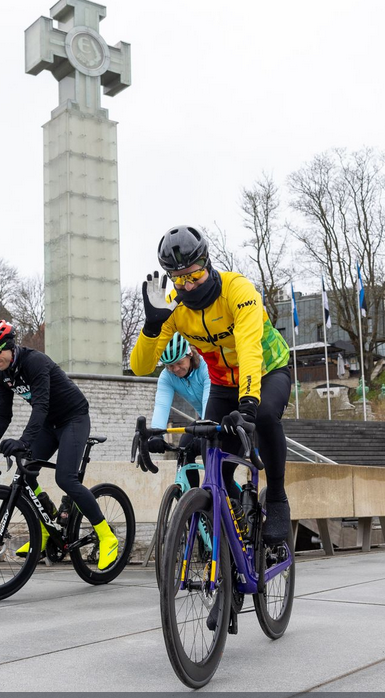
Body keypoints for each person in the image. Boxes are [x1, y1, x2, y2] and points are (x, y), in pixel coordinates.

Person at [130, 225, 293, 544]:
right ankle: (237, 529)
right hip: (222, 385)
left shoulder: (237, 289)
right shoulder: (175, 309)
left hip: (266, 370)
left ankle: (276, 496)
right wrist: (152, 328)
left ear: (207, 262)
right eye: (179, 278)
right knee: (214, 467)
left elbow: (248, 346)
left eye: (194, 275)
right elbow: (142, 367)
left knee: (263, 417)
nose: (187, 285)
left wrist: (248, 403)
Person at [0, 320, 119, 570]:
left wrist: (24, 441)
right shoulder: (2, 375)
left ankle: (106, 536)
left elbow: (41, 406)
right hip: (49, 424)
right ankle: (46, 530)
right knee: (25, 475)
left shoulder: (34, 362)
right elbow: (3, 414)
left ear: (8, 346)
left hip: (73, 418)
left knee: (66, 479)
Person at [146, 332, 211, 487]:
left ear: (189, 353)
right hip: (203, 420)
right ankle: (193, 500)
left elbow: (209, 401)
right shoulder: (167, 376)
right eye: (170, 365)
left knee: (216, 469)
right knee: (184, 447)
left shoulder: (205, 366)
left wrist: (206, 425)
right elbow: (162, 405)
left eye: (179, 363)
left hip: (223, 417)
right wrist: (157, 434)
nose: (175, 369)